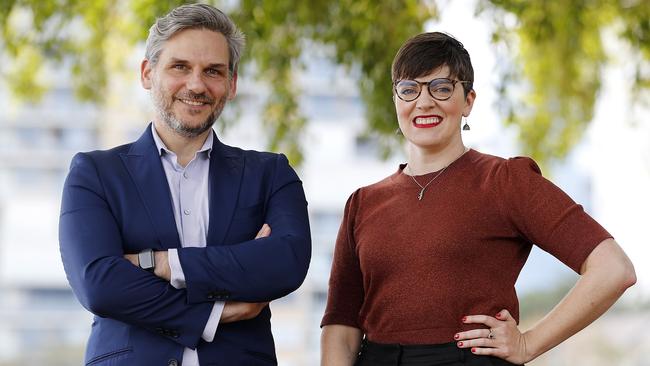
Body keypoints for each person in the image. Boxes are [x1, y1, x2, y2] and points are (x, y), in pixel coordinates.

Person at [320, 32, 636, 366]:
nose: (423, 102)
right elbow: (342, 326)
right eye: (409, 89)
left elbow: (613, 268)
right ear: (396, 99)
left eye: (441, 88)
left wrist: (529, 343)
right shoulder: (363, 203)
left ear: (468, 100)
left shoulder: (505, 181)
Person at [59, 4, 311, 365]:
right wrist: (215, 313)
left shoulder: (271, 173)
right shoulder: (95, 173)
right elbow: (99, 285)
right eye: (180, 67)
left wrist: (159, 263)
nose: (196, 85)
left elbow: (285, 263)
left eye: (213, 71)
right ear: (148, 73)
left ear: (232, 83)